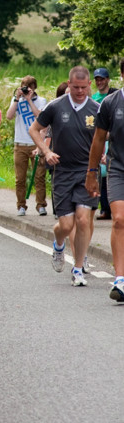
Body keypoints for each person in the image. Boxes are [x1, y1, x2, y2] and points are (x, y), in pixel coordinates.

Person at [29, 66, 99, 286]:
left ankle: (78, 269)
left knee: (83, 219)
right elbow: (34, 130)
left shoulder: (97, 109)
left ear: (89, 85)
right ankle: (59, 245)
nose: (80, 91)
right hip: (62, 171)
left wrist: (104, 155)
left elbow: (106, 136)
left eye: (83, 87)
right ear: (68, 85)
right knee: (66, 225)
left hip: (87, 172)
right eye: (75, 87)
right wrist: (46, 151)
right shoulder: (56, 107)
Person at [86, 57, 124, 302]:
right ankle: (120, 279)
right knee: (119, 220)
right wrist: (91, 173)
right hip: (118, 167)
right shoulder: (111, 103)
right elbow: (98, 139)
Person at [5, 75, 48, 217]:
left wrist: (30, 100)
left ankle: (41, 205)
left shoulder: (41, 101)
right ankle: (21, 206)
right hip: (20, 143)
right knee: (20, 178)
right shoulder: (17, 100)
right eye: (24, 87)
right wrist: (17, 98)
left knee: (39, 176)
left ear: (34, 88)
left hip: (36, 143)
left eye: (29, 87)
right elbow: (9, 116)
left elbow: (40, 117)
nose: (26, 90)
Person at [91, 67, 117, 220]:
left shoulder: (114, 95)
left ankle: (113, 207)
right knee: (100, 173)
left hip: (112, 137)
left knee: (111, 172)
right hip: (99, 136)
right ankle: (105, 208)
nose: (99, 82)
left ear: (108, 79)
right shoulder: (93, 98)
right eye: (97, 79)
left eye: (102, 79)